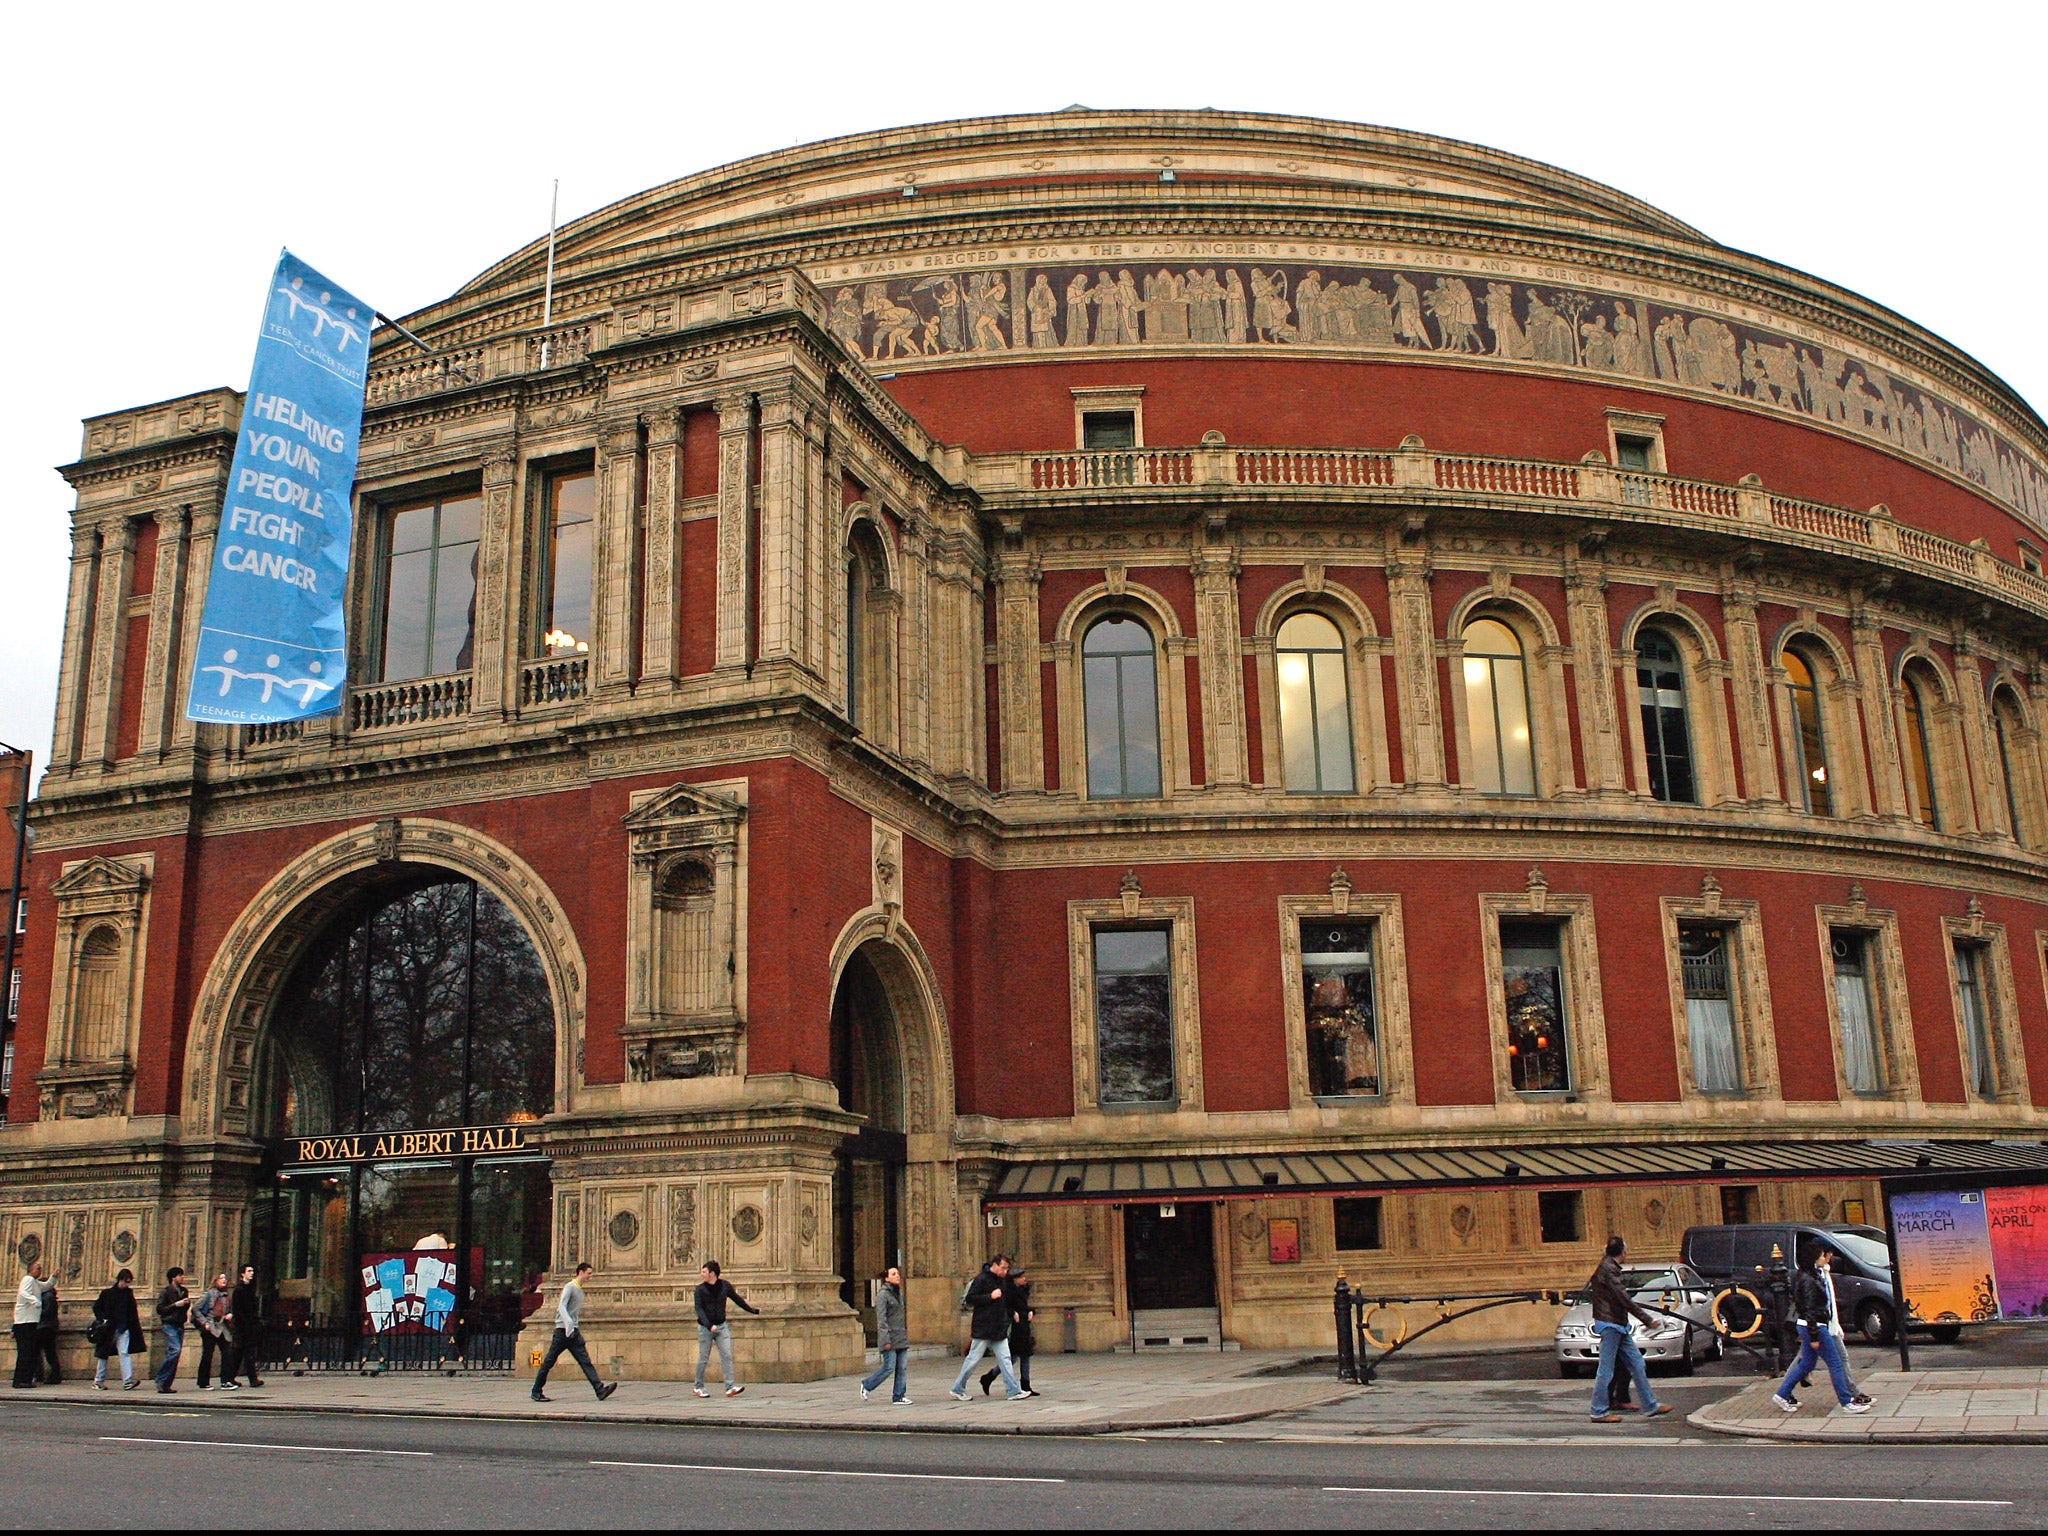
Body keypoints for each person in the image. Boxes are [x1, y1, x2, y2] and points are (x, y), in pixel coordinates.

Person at [1772, 1245, 1873, 1415]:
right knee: (1835, 1363)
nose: (1823, 1258)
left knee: (1806, 1363)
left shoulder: (1810, 1276)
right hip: (1815, 1327)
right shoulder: (1809, 1281)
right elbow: (1810, 1310)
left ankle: (1782, 1394)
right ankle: (1847, 1401)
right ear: (1813, 1259)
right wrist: (1814, 1336)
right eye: (1820, 1256)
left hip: (1809, 1326)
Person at [1586, 1236, 1672, 1423]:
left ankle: (1650, 1405)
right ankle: (1598, 1411)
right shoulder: (1609, 1270)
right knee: (1606, 1370)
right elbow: (1623, 1298)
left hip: (1618, 1325)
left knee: (1637, 1363)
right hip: (1611, 1324)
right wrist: (1648, 1320)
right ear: (1623, 1252)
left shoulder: (1608, 1267)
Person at [949, 1254, 1034, 1402]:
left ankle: (1013, 1391)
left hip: (998, 1327)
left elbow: (1005, 1301)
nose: (1005, 1271)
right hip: (984, 1327)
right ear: (995, 1265)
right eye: (1003, 1268)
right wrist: (990, 1296)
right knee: (973, 1359)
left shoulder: (1002, 1281)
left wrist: (1010, 1312)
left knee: (1005, 1359)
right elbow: (970, 1298)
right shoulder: (982, 1279)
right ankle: (958, 1388)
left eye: (1007, 1268)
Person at [531, 1260, 616, 1403]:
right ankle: (536, 1391)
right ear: (580, 1272)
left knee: (585, 1361)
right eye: (589, 1273)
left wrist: (573, 1326)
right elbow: (561, 1307)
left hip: (573, 1333)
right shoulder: (570, 1287)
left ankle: (600, 1390)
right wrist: (568, 1323)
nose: (590, 1276)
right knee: (549, 1362)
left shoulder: (580, 1291)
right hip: (562, 1331)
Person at [693, 1259, 759, 1399]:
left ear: (712, 1273)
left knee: (727, 1355)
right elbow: (699, 1309)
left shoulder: (724, 1286)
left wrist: (752, 1310)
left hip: (721, 1326)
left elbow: (737, 1299)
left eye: (704, 1272)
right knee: (704, 1358)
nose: (702, 1274)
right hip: (705, 1328)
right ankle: (698, 1387)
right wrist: (708, 1325)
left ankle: (730, 1387)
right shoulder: (700, 1290)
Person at [859, 1264, 912, 1406]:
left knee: (902, 1367)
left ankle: (899, 1395)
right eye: (894, 1274)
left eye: (898, 1274)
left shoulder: (898, 1293)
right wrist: (885, 1339)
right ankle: (867, 1385)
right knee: (889, 1367)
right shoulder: (882, 1295)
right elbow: (881, 1319)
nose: (898, 1276)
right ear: (887, 1278)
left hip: (900, 1335)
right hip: (889, 1337)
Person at [981, 1263, 1035, 1396]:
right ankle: (989, 1376)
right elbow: (1003, 1307)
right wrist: (1012, 1313)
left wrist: (1031, 1311)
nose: (1024, 1279)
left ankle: (1026, 1385)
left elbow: (1025, 1306)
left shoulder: (1023, 1290)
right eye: (1021, 1277)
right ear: (1015, 1279)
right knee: (1013, 1357)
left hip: (1024, 1324)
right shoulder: (1008, 1291)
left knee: (1025, 1355)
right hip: (1014, 1326)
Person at [92, 1269, 144, 1391]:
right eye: (126, 1282)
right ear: (120, 1280)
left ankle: (127, 1381)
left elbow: (132, 1312)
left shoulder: (128, 1294)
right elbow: (97, 1308)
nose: (127, 1285)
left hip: (123, 1328)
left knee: (123, 1353)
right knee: (103, 1355)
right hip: (109, 1328)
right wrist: (103, 1319)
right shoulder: (107, 1293)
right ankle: (98, 1381)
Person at [221, 1263, 264, 1389]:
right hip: (243, 1327)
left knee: (239, 1353)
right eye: (249, 1271)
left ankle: (230, 1378)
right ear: (242, 1274)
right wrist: (246, 1325)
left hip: (248, 1326)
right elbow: (238, 1310)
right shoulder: (239, 1290)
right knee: (245, 1353)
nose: (252, 1273)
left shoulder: (249, 1288)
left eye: (252, 1271)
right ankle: (252, 1379)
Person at [13, 1261, 53, 1389]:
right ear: (31, 1270)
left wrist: (54, 1277)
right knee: (25, 1352)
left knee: (29, 1352)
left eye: (40, 1268)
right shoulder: (28, 1279)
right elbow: (23, 1293)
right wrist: (35, 1301)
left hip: (30, 1321)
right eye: (37, 1268)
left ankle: (25, 1379)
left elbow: (47, 1286)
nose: (40, 1270)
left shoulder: (35, 1282)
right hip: (24, 1322)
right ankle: (20, 1380)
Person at [153, 1266, 189, 1394]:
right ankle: (160, 1377)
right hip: (169, 1324)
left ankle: (166, 1384)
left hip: (180, 1324)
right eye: (180, 1275)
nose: (182, 1277)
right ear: (173, 1278)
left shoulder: (184, 1291)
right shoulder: (166, 1292)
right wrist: (176, 1304)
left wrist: (186, 1304)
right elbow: (160, 1309)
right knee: (175, 1350)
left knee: (175, 1354)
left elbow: (184, 1309)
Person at [193, 1272, 231, 1389]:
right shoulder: (208, 1294)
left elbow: (227, 1310)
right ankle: (203, 1382)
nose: (224, 1280)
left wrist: (229, 1315)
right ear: (215, 1280)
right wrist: (204, 1323)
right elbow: (195, 1309)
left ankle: (225, 1381)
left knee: (227, 1352)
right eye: (221, 1278)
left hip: (221, 1327)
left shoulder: (226, 1295)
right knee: (207, 1354)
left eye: (225, 1278)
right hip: (210, 1327)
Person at [35, 1275, 61, 1385]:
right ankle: (51, 1375)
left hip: (44, 1327)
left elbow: (46, 1312)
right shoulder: (50, 1296)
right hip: (49, 1327)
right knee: (49, 1352)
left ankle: (47, 1375)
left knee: (44, 1352)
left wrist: (35, 1312)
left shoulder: (46, 1296)